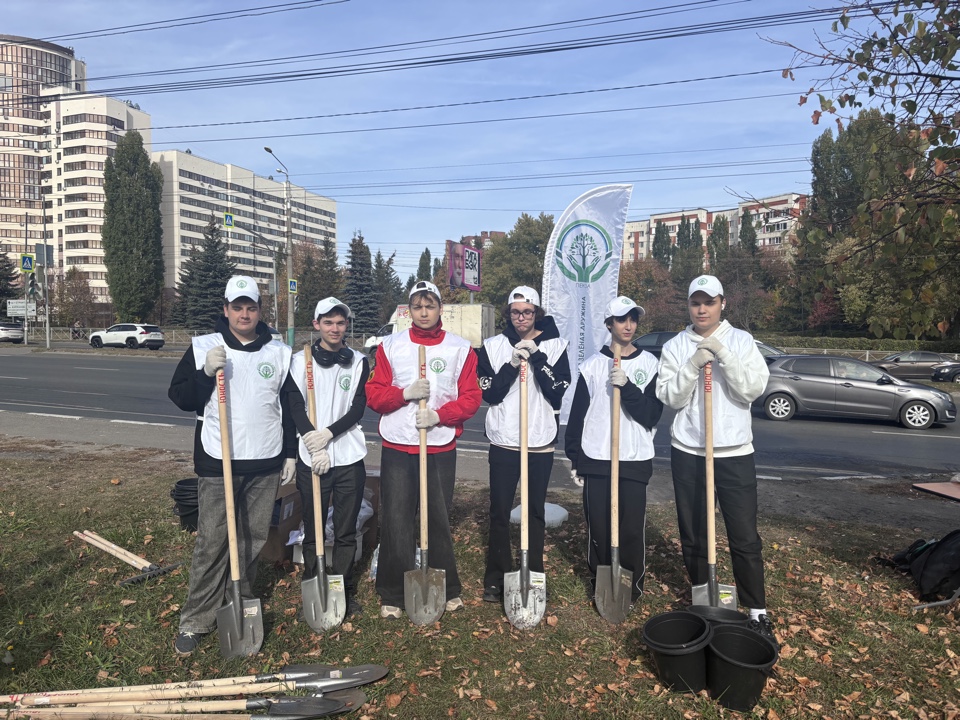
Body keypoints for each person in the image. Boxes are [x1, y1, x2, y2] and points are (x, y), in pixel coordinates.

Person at [167, 275, 297, 655]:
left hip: (265, 460)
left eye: (250, 307)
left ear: (259, 311)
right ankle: (196, 619)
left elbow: (289, 408)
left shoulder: (278, 352)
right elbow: (181, 397)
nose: (244, 314)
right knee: (212, 541)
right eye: (237, 307)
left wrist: (290, 452)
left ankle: (237, 600)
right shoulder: (204, 347)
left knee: (252, 539)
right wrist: (205, 373)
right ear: (225, 310)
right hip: (218, 459)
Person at [656, 274, 777, 647]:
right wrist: (693, 364)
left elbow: (752, 390)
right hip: (689, 451)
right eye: (695, 302)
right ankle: (703, 598)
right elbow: (670, 398)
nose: (702, 309)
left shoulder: (741, 341)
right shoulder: (676, 346)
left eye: (709, 302)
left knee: (744, 536)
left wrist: (723, 354)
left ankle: (756, 611)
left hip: (734, 452)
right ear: (688, 305)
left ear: (722, 303)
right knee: (694, 534)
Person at [366, 280, 482, 618]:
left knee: (438, 516)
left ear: (440, 309)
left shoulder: (460, 349)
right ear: (409, 311)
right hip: (399, 444)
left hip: (438, 444)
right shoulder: (392, 346)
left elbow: (471, 398)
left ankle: (447, 586)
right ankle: (393, 591)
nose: (424, 312)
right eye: (417, 307)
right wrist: (403, 394)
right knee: (397, 517)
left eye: (430, 306)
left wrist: (440, 415)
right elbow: (374, 394)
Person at [565, 296, 662, 606]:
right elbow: (578, 416)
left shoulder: (649, 364)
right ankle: (602, 584)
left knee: (630, 528)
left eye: (633, 319)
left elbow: (651, 415)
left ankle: (630, 588)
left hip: (634, 457)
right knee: (600, 527)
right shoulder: (592, 366)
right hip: (597, 457)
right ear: (609, 324)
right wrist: (575, 458)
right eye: (622, 319)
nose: (628, 325)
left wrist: (628, 387)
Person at [476, 286, 570, 604]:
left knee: (535, 511)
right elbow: (489, 393)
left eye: (527, 312)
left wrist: (537, 358)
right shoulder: (492, 347)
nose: (521, 318)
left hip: (539, 441)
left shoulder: (555, 346)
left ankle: (533, 571)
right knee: (499, 511)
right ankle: (496, 578)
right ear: (508, 313)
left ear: (536, 314)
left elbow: (557, 391)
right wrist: (512, 365)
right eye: (515, 312)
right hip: (504, 441)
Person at [285, 297, 369, 618]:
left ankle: (342, 587)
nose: (335, 328)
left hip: (348, 455)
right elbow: (295, 407)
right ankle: (314, 581)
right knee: (313, 525)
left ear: (347, 325)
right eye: (328, 322)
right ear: (316, 324)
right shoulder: (299, 362)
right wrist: (313, 442)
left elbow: (358, 408)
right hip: (312, 457)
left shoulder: (359, 362)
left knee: (346, 528)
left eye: (340, 322)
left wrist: (329, 435)